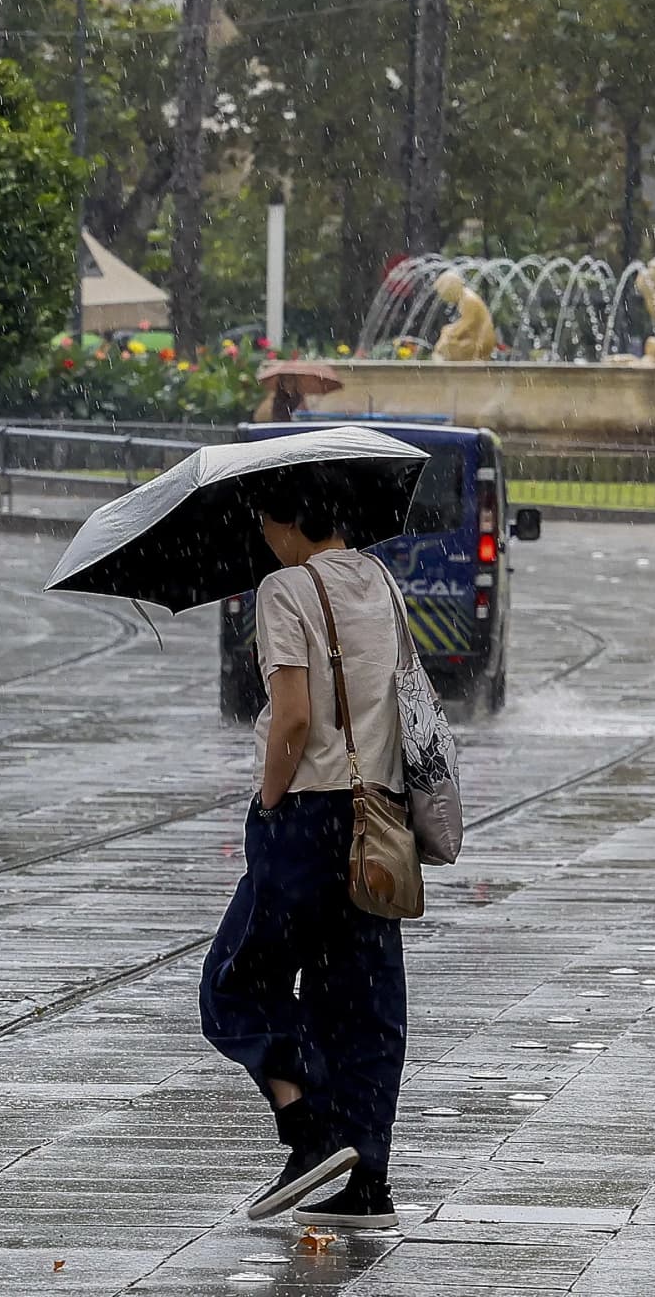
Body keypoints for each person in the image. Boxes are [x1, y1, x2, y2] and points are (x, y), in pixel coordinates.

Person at [199, 466, 409, 1230]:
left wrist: (268, 800)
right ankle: (367, 1180)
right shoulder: (381, 581)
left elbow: (291, 717)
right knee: (362, 1000)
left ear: (287, 522)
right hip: (379, 816)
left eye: (265, 524)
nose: (264, 539)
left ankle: (309, 1126)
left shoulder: (285, 590)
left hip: (307, 815)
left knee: (234, 984)